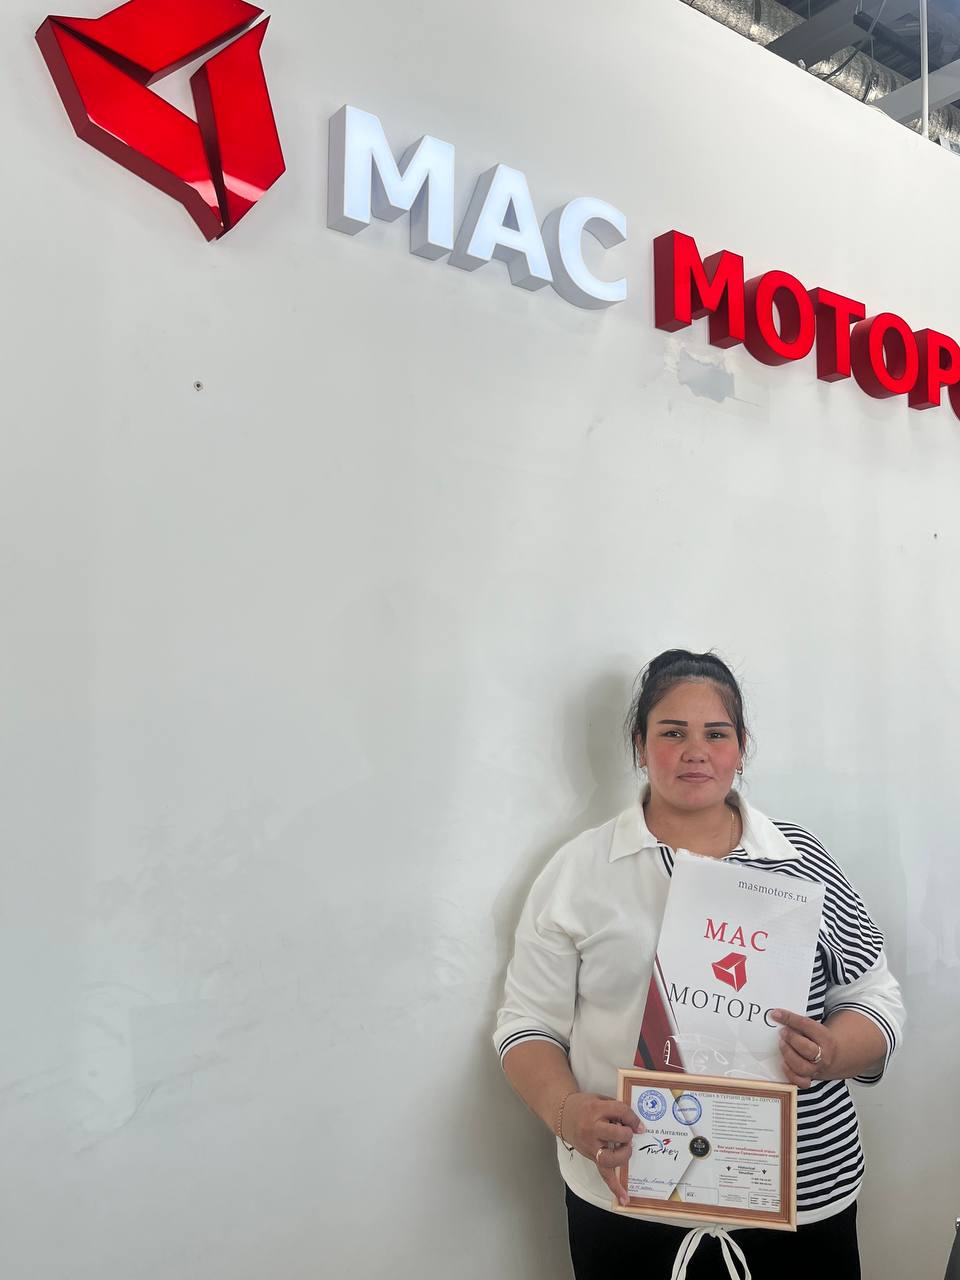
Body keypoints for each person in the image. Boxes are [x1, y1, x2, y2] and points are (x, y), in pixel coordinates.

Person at [494, 649, 904, 1280]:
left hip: (802, 1201)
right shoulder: (582, 870)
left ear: (741, 747)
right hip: (629, 1198)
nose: (695, 752)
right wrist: (568, 1113)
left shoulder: (798, 858)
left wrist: (835, 1051)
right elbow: (527, 1024)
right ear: (639, 745)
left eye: (716, 733)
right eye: (671, 733)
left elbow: (874, 994)